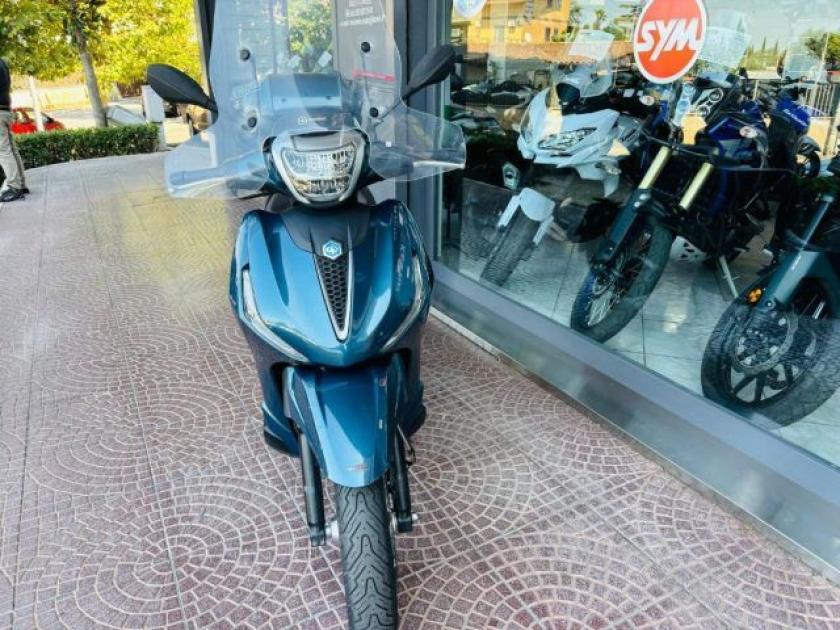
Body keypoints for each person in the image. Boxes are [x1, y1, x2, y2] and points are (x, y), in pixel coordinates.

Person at [0, 58, 29, 203]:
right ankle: (21, 184)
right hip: (6, 110)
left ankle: (14, 186)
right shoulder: (3, 63)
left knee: (3, 151)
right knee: (11, 149)